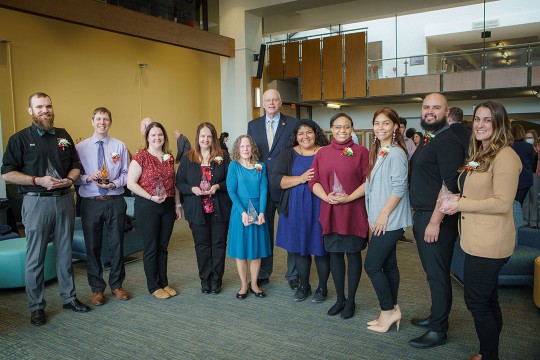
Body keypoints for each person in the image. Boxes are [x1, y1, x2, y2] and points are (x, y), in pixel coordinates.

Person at [440, 100, 521, 360]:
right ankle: (489, 352)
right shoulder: (480, 154)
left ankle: (489, 355)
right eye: (477, 119)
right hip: (475, 240)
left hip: (490, 243)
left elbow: (502, 202)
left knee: (477, 303)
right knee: (487, 300)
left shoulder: (505, 156)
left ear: (499, 124)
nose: (481, 124)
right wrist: (454, 196)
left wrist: (460, 203)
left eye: (488, 119)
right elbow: (475, 189)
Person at [1, 92, 90, 326]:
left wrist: (70, 180)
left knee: (64, 252)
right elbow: (7, 173)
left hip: (64, 200)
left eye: (48, 106)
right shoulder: (19, 139)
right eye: (39, 106)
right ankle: (36, 306)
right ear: (30, 111)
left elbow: (75, 164)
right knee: (35, 257)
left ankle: (69, 298)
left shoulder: (63, 135)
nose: (45, 110)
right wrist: (37, 180)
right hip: (36, 201)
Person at [408, 93, 465, 348]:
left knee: (438, 275)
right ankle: (436, 316)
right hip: (423, 215)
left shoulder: (448, 141)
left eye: (436, 107)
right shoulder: (431, 138)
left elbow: (449, 184)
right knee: (433, 274)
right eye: (426, 107)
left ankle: (438, 331)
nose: (430, 111)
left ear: (447, 110)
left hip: (436, 219)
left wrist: (434, 221)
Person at [308, 113, 369, 320]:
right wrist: (326, 197)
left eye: (346, 127)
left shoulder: (361, 152)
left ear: (352, 129)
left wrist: (349, 197)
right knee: (334, 255)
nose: (342, 131)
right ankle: (340, 299)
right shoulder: (322, 153)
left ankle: (351, 300)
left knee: (352, 255)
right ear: (331, 129)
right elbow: (313, 181)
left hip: (352, 212)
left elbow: (368, 182)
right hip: (330, 211)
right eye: (337, 127)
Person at [75, 107, 131, 306]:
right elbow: (74, 175)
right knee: (93, 247)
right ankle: (97, 288)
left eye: (105, 119)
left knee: (117, 244)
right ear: (92, 121)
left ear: (110, 122)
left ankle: (117, 285)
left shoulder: (120, 146)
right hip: (91, 202)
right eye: (98, 118)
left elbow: (127, 173)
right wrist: (88, 177)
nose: (102, 122)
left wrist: (114, 183)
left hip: (115, 200)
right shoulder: (80, 148)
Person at [271, 120, 330, 302]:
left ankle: (322, 288)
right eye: (301, 134)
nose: (305, 137)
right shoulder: (289, 154)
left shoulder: (325, 152)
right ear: (296, 137)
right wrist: (301, 178)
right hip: (295, 208)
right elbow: (276, 180)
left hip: (320, 206)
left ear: (316, 133)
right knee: (300, 249)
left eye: (309, 132)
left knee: (320, 249)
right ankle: (304, 286)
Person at [364, 108, 412, 333]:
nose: (380, 127)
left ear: (395, 127)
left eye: (386, 123)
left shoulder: (395, 153)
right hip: (380, 218)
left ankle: (387, 311)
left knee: (372, 265)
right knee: (388, 265)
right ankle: (393, 308)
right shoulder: (380, 151)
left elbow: (399, 188)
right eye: (377, 123)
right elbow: (372, 187)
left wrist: (382, 215)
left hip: (390, 220)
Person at [247, 89, 299, 289]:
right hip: (262, 188)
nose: (270, 103)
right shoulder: (253, 125)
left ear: (280, 102)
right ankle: (263, 272)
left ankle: (293, 274)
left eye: (274, 99)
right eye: (267, 100)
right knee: (263, 231)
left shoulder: (293, 124)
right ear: (263, 103)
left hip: (286, 186)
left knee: (290, 231)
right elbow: (253, 155)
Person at [127, 122, 182, 299]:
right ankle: (153, 286)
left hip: (167, 206)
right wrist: (150, 197)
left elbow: (174, 184)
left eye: (160, 135)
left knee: (163, 247)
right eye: (153, 135)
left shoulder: (169, 157)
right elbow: (131, 183)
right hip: (147, 206)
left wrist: (177, 205)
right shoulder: (140, 156)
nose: (157, 138)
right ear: (147, 137)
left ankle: (163, 282)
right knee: (151, 247)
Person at [176, 123, 231, 294]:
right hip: (196, 209)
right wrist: (192, 189)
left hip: (219, 208)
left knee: (219, 244)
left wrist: (217, 187)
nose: (205, 139)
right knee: (202, 246)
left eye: (209, 136)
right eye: (202, 136)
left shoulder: (223, 157)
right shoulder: (188, 158)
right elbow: (180, 182)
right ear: (197, 138)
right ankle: (205, 279)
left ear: (214, 138)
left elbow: (231, 181)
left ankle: (217, 280)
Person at [226, 135, 271, 299]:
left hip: (258, 210)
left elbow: (264, 190)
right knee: (241, 250)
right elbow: (231, 191)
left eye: (248, 146)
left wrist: (261, 212)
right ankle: (244, 284)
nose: (245, 149)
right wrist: (243, 212)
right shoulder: (233, 166)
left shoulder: (261, 166)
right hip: (240, 212)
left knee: (256, 250)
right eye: (242, 146)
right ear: (238, 149)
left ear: (252, 148)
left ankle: (254, 284)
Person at [510, 124, 535, 205]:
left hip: (512, 178)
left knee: (511, 205)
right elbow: (531, 162)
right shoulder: (529, 146)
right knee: (518, 204)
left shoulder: (508, 147)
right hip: (526, 179)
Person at [523, 129, 539, 225]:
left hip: (535, 175)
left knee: (535, 199)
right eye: (527, 137)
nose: (529, 139)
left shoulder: (538, 149)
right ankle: (525, 220)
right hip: (525, 175)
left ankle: (533, 220)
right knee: (525, 199)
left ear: (535, 138)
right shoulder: (523, 148)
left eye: (531, 137)